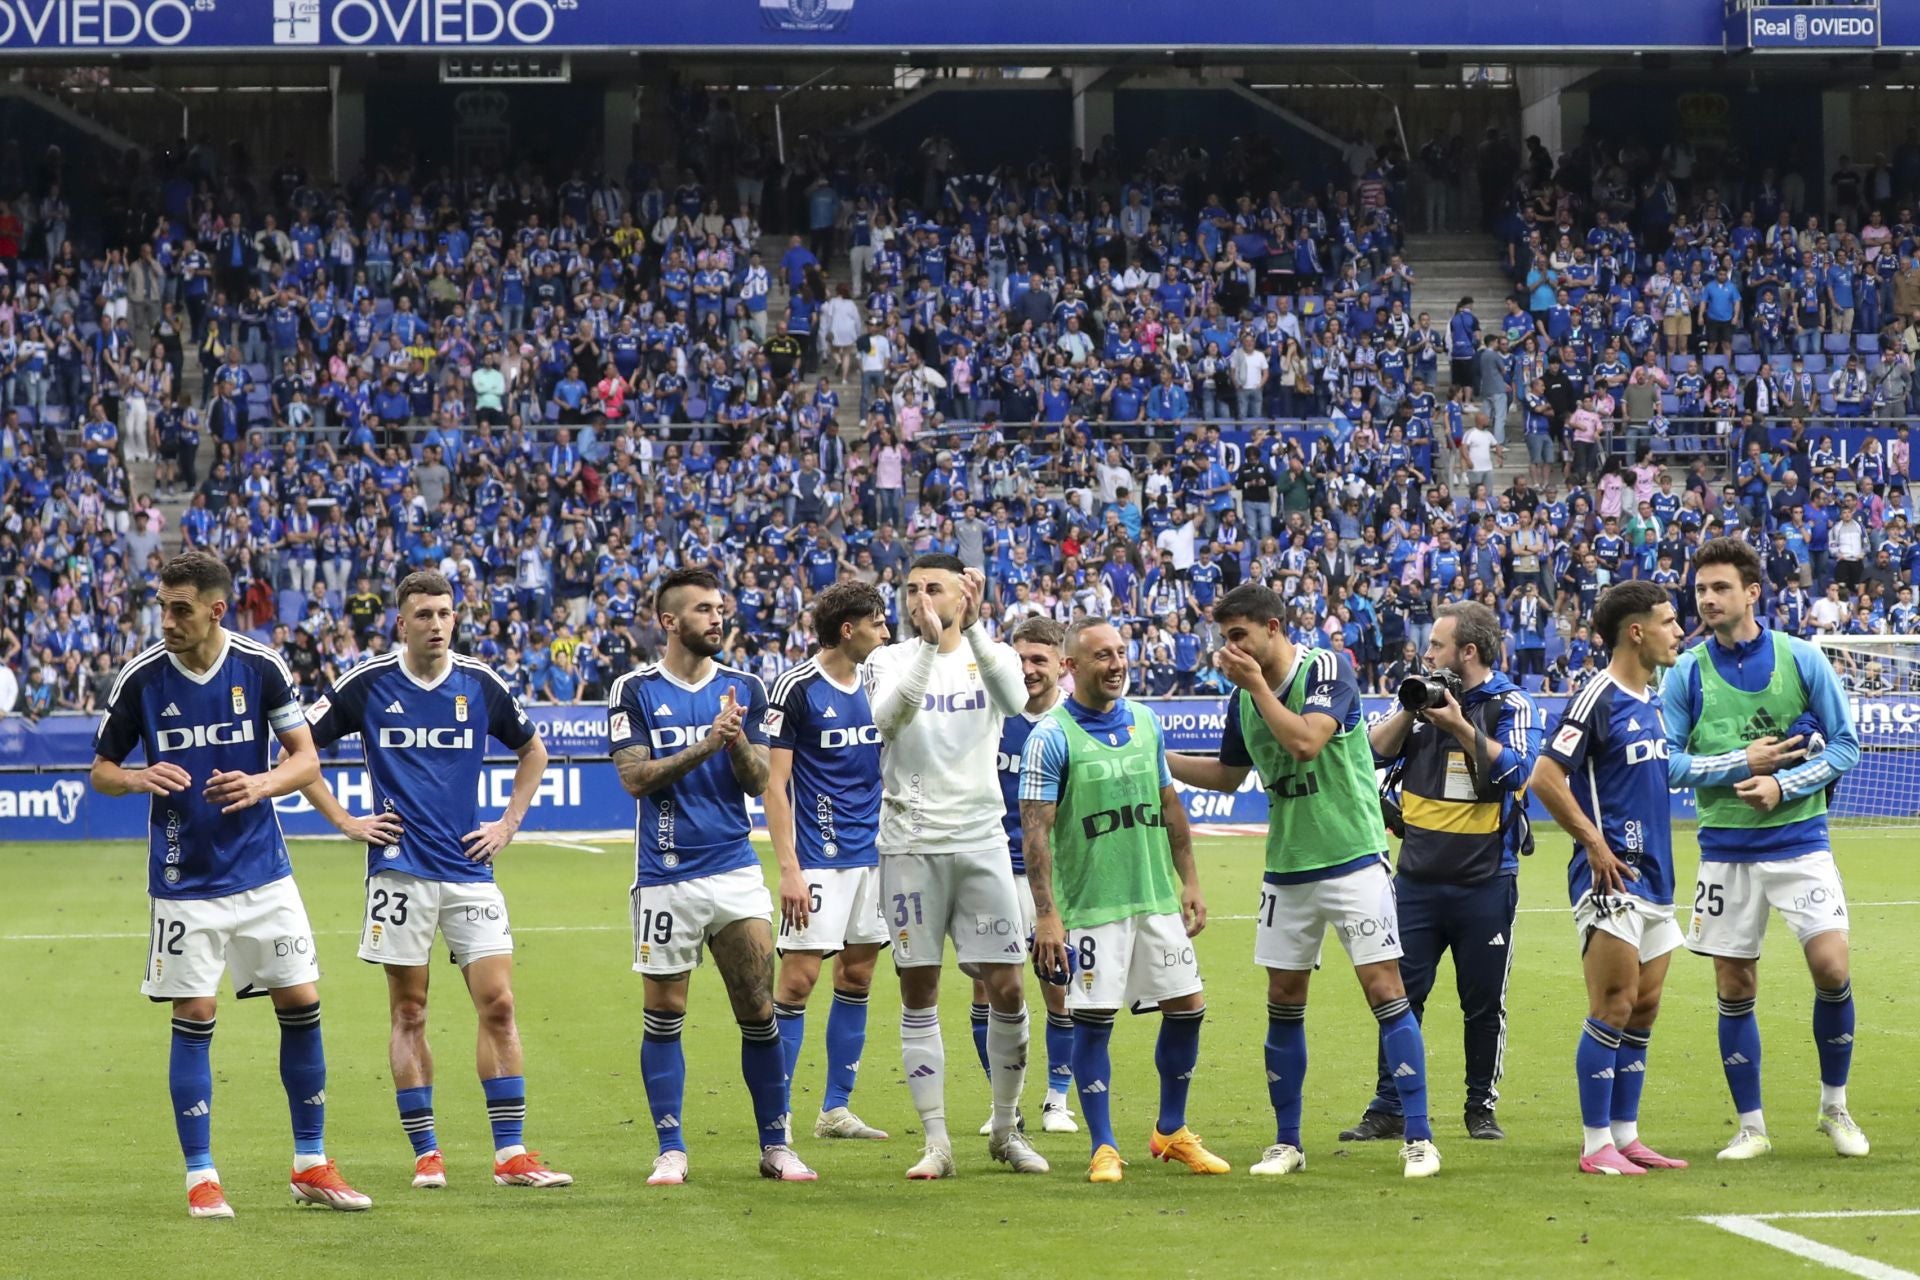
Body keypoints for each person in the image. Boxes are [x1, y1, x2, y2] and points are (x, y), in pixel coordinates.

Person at [88, 550, 369, 1218]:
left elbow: (306, 759)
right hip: (184, 878)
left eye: (179, 608)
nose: (166, 619)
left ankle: (311, 1163)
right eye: (161, 605)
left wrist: (260, 783)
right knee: (196, 1012)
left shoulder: (260, 666)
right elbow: (100, 768)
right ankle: (201, 1177)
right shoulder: (143, 678)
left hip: (262, 870)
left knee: (300, 1000)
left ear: (216, 610)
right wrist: (135, 778)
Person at [300, 570, 571, 1191]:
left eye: (445, 613)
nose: (436, 624)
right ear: (401, 623)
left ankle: (511, 1155)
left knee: (499, 1005)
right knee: (411, 1010)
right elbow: (297, 748)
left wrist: (507, 824)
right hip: (400, 870)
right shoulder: (366, 684)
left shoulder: (480, 683)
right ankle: (427, 1154)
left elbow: (534, 751)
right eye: (423, 614)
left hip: (470, 867)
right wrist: (344, 820)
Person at [1167, 583, 1440, 1180]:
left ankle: (1418, 1138)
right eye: (1224, 638)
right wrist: (1151, 755)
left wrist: (1256, 686)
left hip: (1352, 858)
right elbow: (1225, 777)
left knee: (1383, 989)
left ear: (1272, 627)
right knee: (1283, 1002)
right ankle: (1287, 1142)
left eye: (1239, 635)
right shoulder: (1244, 700)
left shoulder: (1326, 667)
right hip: (1288, 868)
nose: (1229, 648)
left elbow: (1307, 741)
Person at [1660, 537, 1867, 1160]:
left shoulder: (1802, 658)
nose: (1707, 599)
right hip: (1725, 851)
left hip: (1801, 841)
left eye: (1720, 587)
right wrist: (1736, 765)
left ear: (1753, 592)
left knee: (1832, 968)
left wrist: (1783, 783)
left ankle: (1836, 1109)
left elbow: (1845, 745)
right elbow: (1666, 765)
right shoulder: (1685, 672)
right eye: (1700, 589)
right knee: (1735, 985)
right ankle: (1751, 1126)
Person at [608, 567, 814, 1184]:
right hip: (665, 875)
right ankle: (670, 1149)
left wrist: (735, 744)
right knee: (665, 1010)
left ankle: (777, 1145)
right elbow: (634, 779)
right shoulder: (634, 689)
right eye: (703, 610)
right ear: (670, 622)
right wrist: (705, 743)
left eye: (720, 608)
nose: (717, 618)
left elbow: (759, 783)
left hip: (732, 870)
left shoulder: (743, 685)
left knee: (757, 1007)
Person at [864, 554, 1048, 1179]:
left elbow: (1019, 700)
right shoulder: (886, 659)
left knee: (1009, 987)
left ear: (962, 595)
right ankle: (937, 1141)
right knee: (920, 991)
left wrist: (967, 631)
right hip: (909, 845)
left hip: (980, 841)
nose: (920, 598)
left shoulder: (987, 651)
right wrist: (927, 643)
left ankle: (1004, 1127)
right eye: (910, 589)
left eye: (933, 588)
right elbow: (889, 719)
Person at [1024, 617, 1223, 1184]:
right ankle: (1104, 1145)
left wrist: (1190, 881)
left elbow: (1169, 807)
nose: (1116, 665)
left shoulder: (1145, 721)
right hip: (1091, 908)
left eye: (1120, 653)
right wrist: (1047, 913)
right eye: (1102, 657)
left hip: (1155, 899)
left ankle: (1171, 1130)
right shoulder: (1051, 736)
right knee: (1093, 1021)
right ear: (1071, 668)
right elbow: (1034, 833)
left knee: (1188, 1007)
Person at [1341, 602, 1540, 1144]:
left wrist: (1457, 723)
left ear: (1467, 652)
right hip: (1416, 882)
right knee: (1398, 995)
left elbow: (1520, 770)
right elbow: (1365, 757)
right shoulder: (1417, 700)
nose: (1424, 654)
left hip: (1485, 882)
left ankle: (1480, 1107)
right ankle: (1390, 1106)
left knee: (1482, 1002)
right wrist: (1413, 711)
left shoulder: (1510, 705)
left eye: (1434, 646)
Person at [1529, 580, 1691, 1175]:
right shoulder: (1595, 695)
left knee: (1643, 1009)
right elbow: (1544, 777)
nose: (1680, 632)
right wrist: (1593, 843)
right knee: (1613, 1005)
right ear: (1637, 630)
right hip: (1610, 878)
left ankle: (1626, 1136)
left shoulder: (1650, 698)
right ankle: (1595, 1144)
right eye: (1671, 621)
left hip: (1656, 880)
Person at [766, 581, 892, 1143]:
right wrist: (789, 867)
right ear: (849, 629)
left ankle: (835, 1110)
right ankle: (779, 1112)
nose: (886, 633)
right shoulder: (796, 688)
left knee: (858, 975)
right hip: (819, 858)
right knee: (797, 980)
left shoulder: (882, 682)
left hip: (877, 855)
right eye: (878, 623)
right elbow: (775, 785)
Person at [974, 616, 1077, 1136]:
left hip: (1054, 879)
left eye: (1040, 660)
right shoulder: (993, 715)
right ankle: (1004, 1107)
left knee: (1057, 986)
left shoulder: (1073, 724)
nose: (1029, 670)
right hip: (992, 868)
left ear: (1062, 663)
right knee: (988, 992)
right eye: (1020, 661)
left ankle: (1057, 1099)